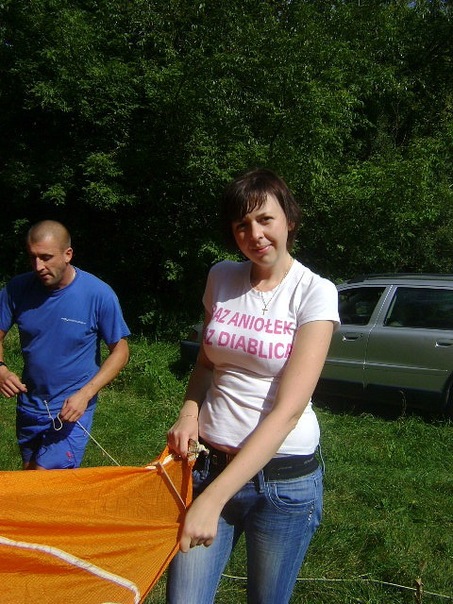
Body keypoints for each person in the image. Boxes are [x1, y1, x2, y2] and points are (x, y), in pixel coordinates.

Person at [166, 168, 340, 604]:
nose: (254, 234)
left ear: (289, 220)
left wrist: (212, 501)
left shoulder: (315, 292)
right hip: (208, 465)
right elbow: (206, 362)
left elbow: (288, 412)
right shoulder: (221, 277)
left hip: (282, 481)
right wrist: (189, 411)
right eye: (242, 224)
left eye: (265, 219)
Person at [0, 220, 130, 470]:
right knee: (29, 476)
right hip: (30, 405)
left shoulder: (98, 294)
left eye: (46, 257)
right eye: (33, 257)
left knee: (46, 480)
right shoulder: (18, 289)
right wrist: (1, 369)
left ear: (68, 254)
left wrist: (86, 394)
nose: (38, 266)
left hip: (71, 410)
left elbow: (121, 351)